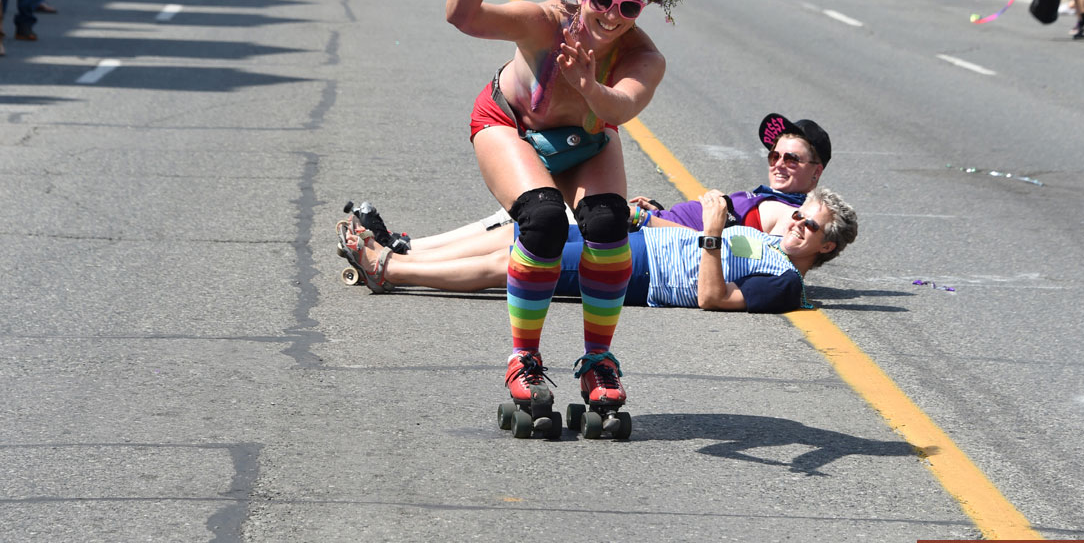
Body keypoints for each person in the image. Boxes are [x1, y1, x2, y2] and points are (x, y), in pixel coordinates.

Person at [344, 0, 677, 438]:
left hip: (588, 139)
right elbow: (462, 17)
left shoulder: (642, 57)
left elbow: (624, 107)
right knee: (542, 221)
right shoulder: (545, 22)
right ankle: (523, 358)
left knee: (609, 228)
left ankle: (598, 362)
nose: (612, 16)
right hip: (511, 125)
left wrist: (588, 83)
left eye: (629, 8)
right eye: (602, 0)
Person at [340, 185, 857, 318]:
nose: (794, 221)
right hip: (643, 240)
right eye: (797, 212)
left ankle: (389, 270)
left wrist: (715, 231)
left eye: (808, 223)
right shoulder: (770, 239)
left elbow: (712, 297)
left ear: (825, 246)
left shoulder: (787, 284)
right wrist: (646, 216)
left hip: (642, 274)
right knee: (519, 236)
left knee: (515, 266)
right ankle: (398, 257)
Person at [364, 113, 834, 257]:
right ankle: (409, 246)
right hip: (651, 220)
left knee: (526, 226)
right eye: (774, 155)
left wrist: (649, 220)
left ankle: (406, 252)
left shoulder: (791, 213)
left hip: (646, 236)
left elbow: (752, 249)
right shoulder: (773, 197)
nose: (778, 162)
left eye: (792, 158)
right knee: (520, 217)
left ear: (816, 171)